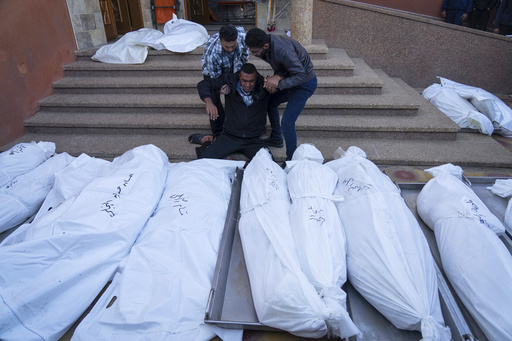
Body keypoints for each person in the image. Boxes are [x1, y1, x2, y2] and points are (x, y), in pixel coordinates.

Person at [245, 28, 317, 162]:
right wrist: (276, 77)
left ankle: (291, 160)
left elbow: (301, 75)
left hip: (304, 84)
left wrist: (278, 84)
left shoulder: (282, 49)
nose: (253, 55)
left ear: (265, 46)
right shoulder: (268, 44)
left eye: (255, 52)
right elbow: (283, 66)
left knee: (287, 123)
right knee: (270, 102)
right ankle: (276, 138)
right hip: (291, 79)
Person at [195, 63, 270, 161]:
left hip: (253, 140)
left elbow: (283, 89)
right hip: (230, 137)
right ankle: (209, 141)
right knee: (203, 158)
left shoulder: (263, 85)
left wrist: (277, 79)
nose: (248, 85)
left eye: (251, 81)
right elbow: (203, 84)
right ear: (239, 77)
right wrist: (209, 102)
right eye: (244, 81)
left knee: (269, 164)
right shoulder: (230, 80)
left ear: (256, 78)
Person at [190, 24, 249, 145]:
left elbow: (244, 58)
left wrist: (237, 79)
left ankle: (234, 128)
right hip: (214, 73)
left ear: (237, 38)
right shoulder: (213, 54)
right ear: (220, 40)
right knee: (214, 100)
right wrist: (221, 88)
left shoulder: (243, 37)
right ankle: (218, 133)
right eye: (227, 46)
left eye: (233, 46)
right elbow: (215, 80)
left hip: (234, 68)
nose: (231, 49)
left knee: (234, 96)